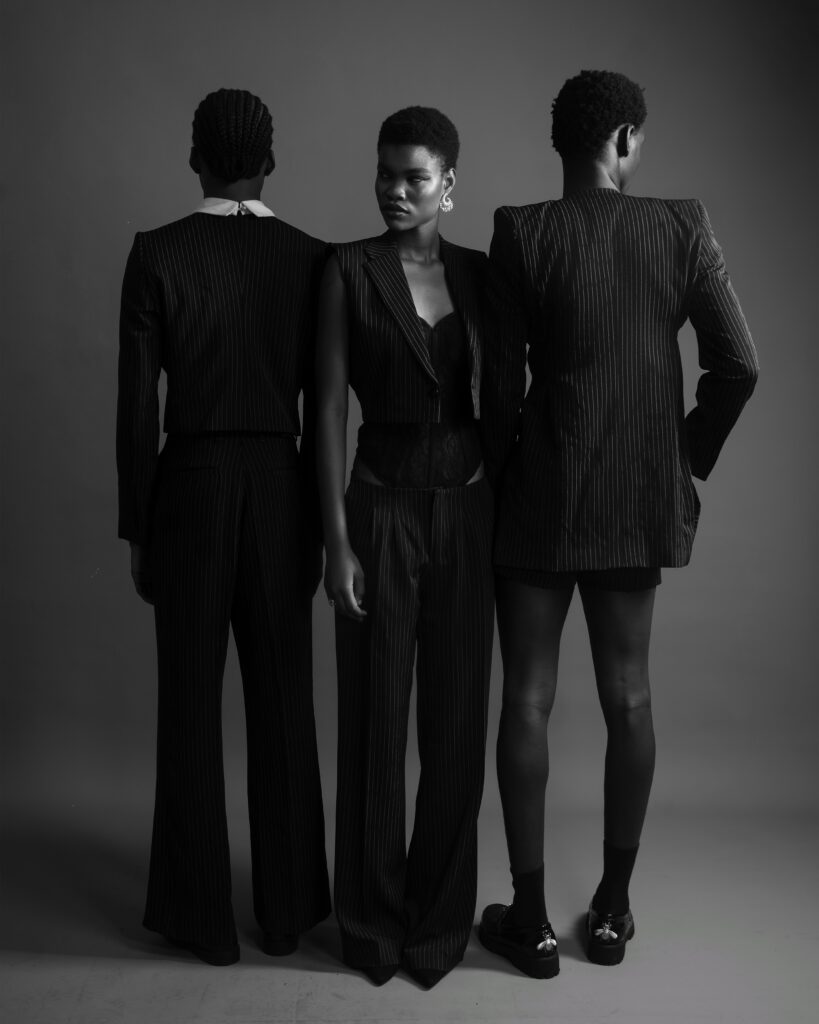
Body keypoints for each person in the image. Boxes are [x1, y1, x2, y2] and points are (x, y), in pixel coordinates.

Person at [478, 70, 758, 977]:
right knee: (628, 698)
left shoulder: (521, 230)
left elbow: (498, 387)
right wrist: (680, 457)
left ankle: (529, 921)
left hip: (539, 494)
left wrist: (504, 471)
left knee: (525, 699)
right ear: (626, 139)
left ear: (562, 144)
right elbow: (738, 365)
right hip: (636, 497)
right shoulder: (680, 225)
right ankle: (610, 912)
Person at [117, 88, 331, 966]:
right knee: (283, 701)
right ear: (270, 160)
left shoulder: (157, 252)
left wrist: (138, 526)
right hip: (282, 487)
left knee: (188, 704)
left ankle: (201, 919)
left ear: (195, 158)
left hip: (191, 489)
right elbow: (325, 408)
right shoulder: (313, 258)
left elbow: (138, 406)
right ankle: (285, 914)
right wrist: (321, 523)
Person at [316, 106, 494, 988]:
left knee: (456, 727)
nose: (394, 189)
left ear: (447, 185)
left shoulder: (481, 275)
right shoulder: (348, 269)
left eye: (413, 176)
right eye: (384, 173)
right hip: (378, 507)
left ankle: (438, 923)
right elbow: (325, 409)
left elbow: (509, 396)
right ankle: (369, 925)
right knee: (374, 725)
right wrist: (335, 541)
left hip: (466, 513)